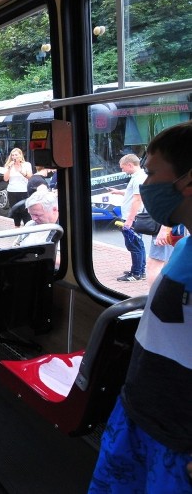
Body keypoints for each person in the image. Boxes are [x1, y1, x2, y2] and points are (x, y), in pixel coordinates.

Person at [89, 120, 192, 493]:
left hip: (179, 436)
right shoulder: (184, 247)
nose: (146, 185)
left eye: (151, 172)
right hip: (142, 409)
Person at [107, 154, 147, 282]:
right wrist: (119, 192)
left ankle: (135, 274)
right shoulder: (140, 177)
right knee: (138, 244)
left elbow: (137, 199)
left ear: (130, 165)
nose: (122, 170)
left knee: (133, 245)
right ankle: (141, 270)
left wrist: (129, 220)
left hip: (132, 218)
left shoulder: (138, 178)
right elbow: (135, 194)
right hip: (135, 217)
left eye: (123, 167)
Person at [3, 147, 33, 227]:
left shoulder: (26, 165)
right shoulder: (8, 165)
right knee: (15, 211)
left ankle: (27, 229)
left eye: (16, 155)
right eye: (12, 155)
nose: (14, 157)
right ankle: (17, 228)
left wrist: (21, 171)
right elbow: (5, 179)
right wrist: (9, 168)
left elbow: (30, 177)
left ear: (20, 155)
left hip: (23, 190)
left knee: (25, 210)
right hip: (12, 191)